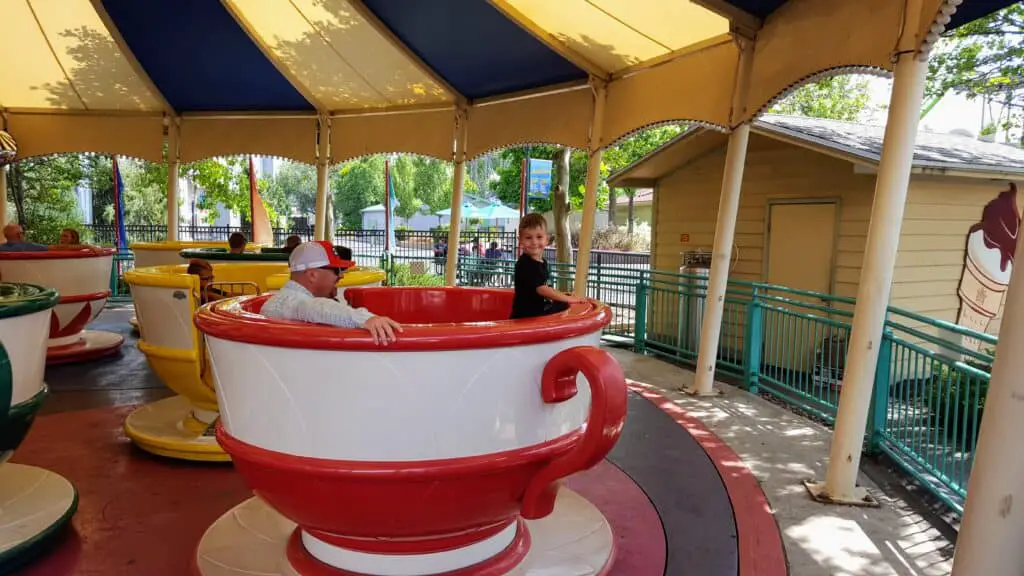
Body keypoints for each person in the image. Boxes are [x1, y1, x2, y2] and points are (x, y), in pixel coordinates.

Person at [262, 241, 402, 345]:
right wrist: (367, 319)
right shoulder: (293, 302)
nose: (341, 275)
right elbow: (317, 308)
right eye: (336, 270)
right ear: (312, 275)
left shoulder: (281, 300)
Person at [510, 213, 586, 319]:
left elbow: (545, 287)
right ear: (520, 240)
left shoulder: (542, 262)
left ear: (547, 239)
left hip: (539, 311)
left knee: (563, 304)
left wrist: (563, 295)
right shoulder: (525, 264)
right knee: (565, 305)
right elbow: (542, 289)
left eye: (539, 237)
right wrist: (570, 299)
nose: (534, 242)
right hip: (527, 317)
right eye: (528, 237)